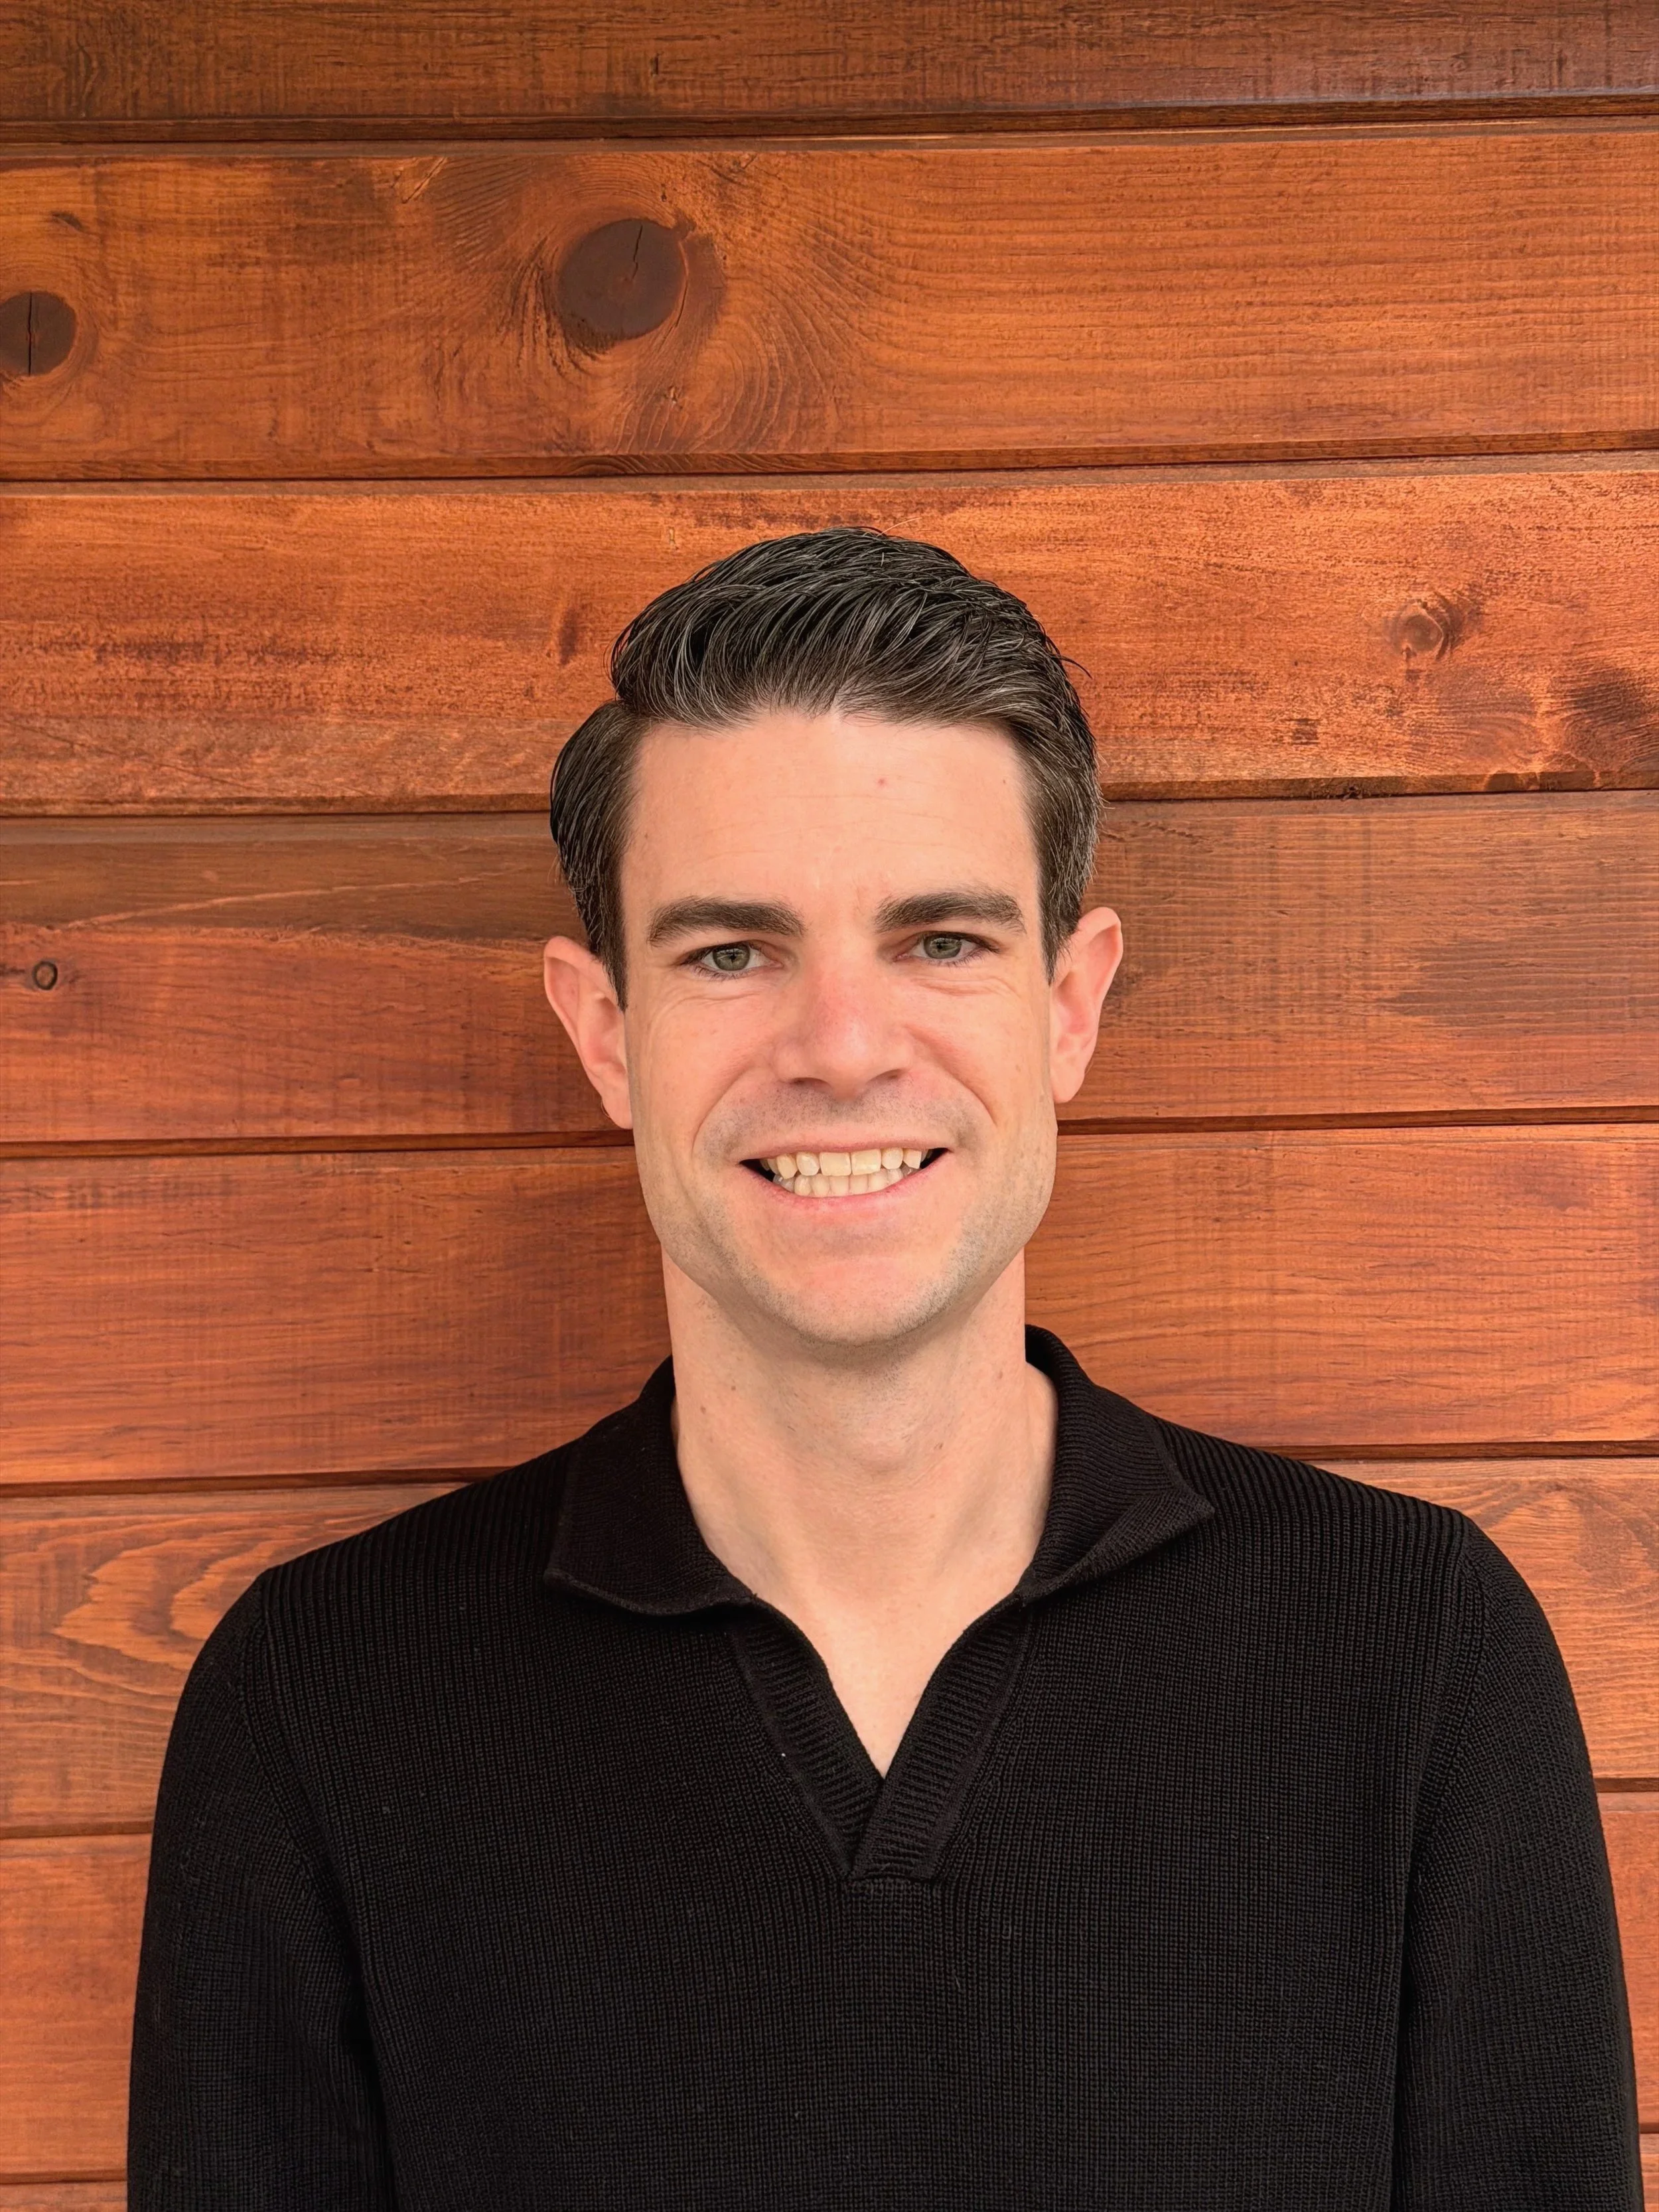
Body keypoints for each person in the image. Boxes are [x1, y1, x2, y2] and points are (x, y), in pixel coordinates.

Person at [129, 528, 1641, 2209]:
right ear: (604, 1029)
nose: (841, 1047)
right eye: (729, 951)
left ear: (1068, 1006)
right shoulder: (324, 1705)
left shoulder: (1412, 1659)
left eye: (940, 942)